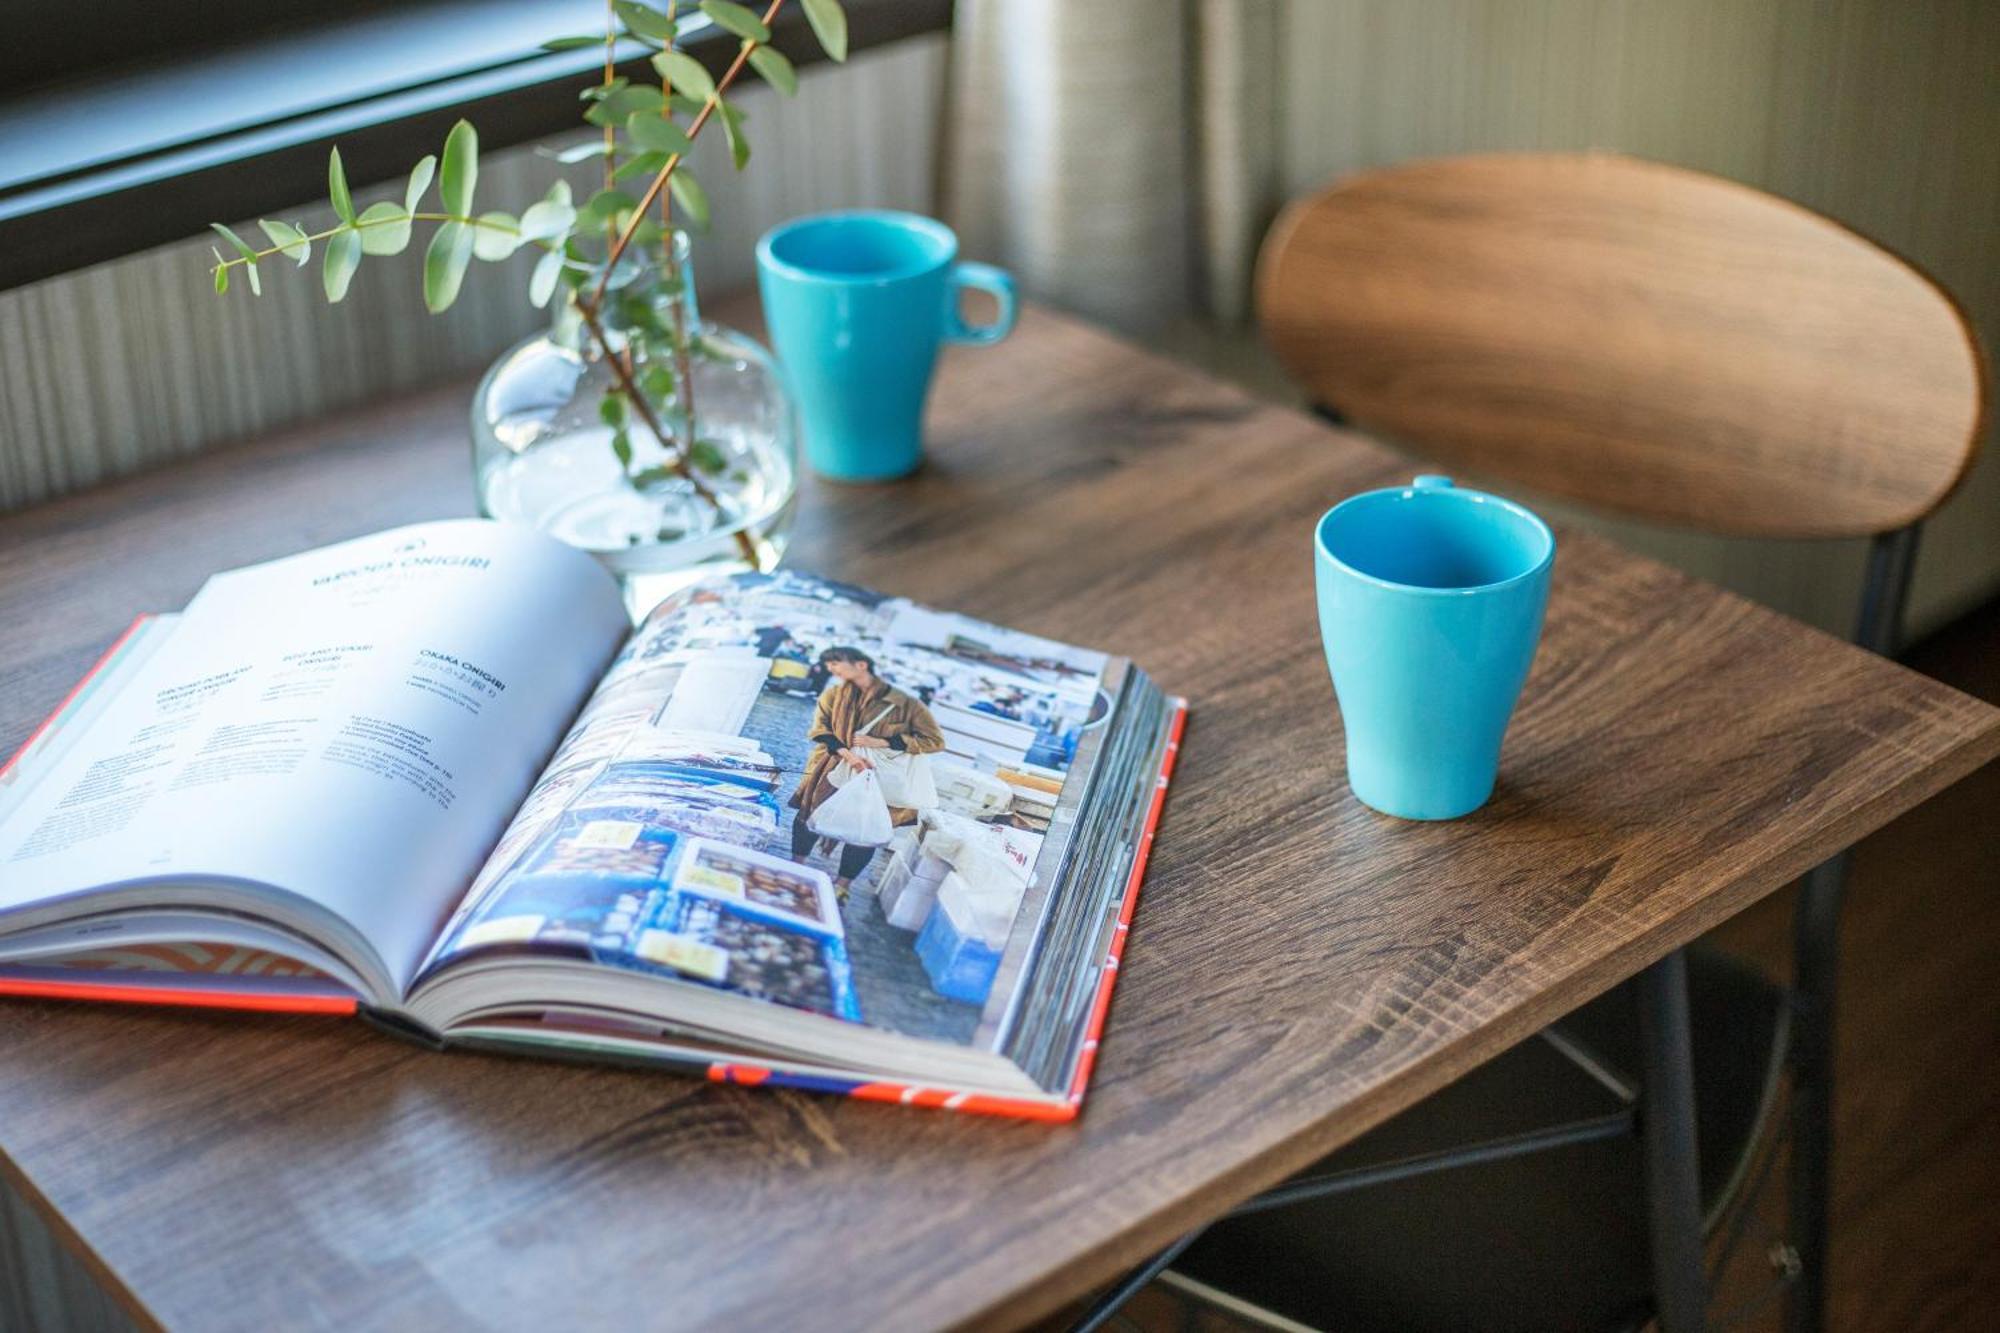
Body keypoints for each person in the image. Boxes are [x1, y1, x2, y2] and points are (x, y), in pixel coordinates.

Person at [789, 646, 945, 900]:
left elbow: (934, 741)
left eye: (836, 663)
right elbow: (819, 730)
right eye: (829, 666)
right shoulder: (833, 694)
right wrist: (850, 756)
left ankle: (842, 886)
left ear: (861, 665)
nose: (831, 670)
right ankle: (796, 866)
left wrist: (882, 742)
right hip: (831, 767)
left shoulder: (906, 705)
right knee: (809, 813)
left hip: (879, 777)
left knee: (865, 828)